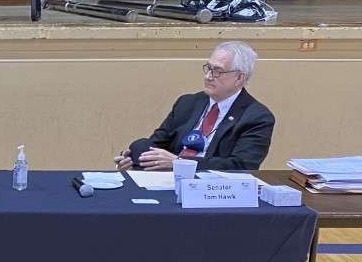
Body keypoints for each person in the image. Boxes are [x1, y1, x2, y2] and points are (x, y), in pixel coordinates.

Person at [116, 41, 274, 172]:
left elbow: (242, 166)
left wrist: (180, 163)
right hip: (169, 180)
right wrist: (133, 158)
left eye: (217, 71)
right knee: (139, 146)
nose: (208, 76)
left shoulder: (256, 117)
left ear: (239, 78)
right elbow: (157, 143)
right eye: (209, 68)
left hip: (213, 190)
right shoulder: (188, 103)